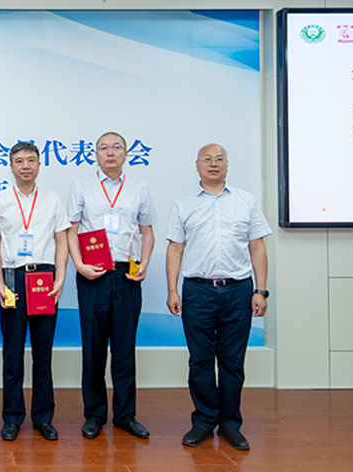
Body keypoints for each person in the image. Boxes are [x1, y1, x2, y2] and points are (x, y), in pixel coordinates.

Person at [165, 143, 271, 451]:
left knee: (232, 361)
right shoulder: (183, 203)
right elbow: (175, 248)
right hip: (197, 290)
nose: (213, 164)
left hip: (238, 290)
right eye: (207, 159)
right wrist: (172, 289)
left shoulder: (245, 201)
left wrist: (260, 290)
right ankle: (202, 422)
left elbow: (257, 246)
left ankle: (230, 424)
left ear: (227, 165)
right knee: (200, 360)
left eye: (219, 159)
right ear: (197, 165)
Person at [67, 132, 157, 440]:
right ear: (95, 154)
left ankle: (125, 415)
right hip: (92, 275)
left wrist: (144, 264)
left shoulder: (139, 186)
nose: (110, 153)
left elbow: (147, 231)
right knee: (93, 349)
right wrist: (79, 265)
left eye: (116, 147)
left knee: (124, 349)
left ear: (126, 153)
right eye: (104, 148)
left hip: (126, 276)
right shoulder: (82, 185)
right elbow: (71, 230)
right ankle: (94, 414)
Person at [0, 142, 70, 442]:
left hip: (44, 279)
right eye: (19, 161)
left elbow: (62, 240)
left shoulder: (52, 199)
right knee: (13, 353)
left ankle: (43, 417)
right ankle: (12, 417)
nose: (25, 166)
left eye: (31, 160)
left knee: (43, 354)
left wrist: (60, 278)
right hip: (12, 278)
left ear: (39, 165)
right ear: (11, 166)